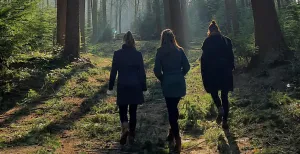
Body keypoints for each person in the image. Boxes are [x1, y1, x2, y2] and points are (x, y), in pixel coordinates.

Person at [107, 31, 147, 145]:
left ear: (123, 41)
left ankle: (125, 127)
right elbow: (142, 73)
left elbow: (113, 71)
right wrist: (144, 87)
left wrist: (110, 86)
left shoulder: (117, 54)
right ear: (133, 41)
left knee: (123, 109)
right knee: (133, 111)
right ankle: (132, 134)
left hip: (123, 85)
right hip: (135, 86)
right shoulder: (138, 54)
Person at [154, 29, 190, 153]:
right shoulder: (180, 51)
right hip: (179, 83)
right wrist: (180, 75)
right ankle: (171, 133)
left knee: (171, 111)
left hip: (168, 83)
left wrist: (163, 79)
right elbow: (187, 66)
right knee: (174, 108)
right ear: (173, 38)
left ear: (162, 39)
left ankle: (177, 139)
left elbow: (157, 71)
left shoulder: (160, 52)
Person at [201, 20, 235, 130]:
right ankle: (225, 120)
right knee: (225, 96)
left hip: (212, 72)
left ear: (209, 31)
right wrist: (230, 68)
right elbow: (231, 57)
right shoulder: (226, 41)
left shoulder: (207, 42)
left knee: (214, 93)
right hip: (225, 72)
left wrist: (204, 73)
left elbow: (204, 60)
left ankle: (219, 108)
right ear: (218, 30)